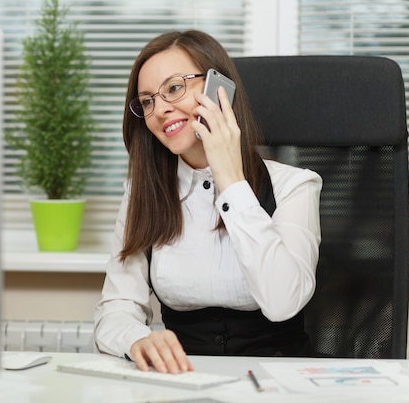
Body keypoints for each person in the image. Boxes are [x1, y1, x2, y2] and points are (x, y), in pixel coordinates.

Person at [93, 30, 322, 374]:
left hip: (277, 383)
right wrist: (135, 338)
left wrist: (230, 180)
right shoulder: (144, 191)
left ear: (219, 88)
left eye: (174, 88)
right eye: (148, 101)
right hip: (183, 381)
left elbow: (282, 301)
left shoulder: (293, 184)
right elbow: (118, 305)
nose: (160, 110)